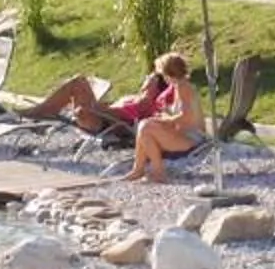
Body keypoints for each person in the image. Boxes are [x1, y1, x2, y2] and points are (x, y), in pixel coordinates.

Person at [21, 54, 182, 137]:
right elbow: (117, 110)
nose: (146, 80)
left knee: (79, 82)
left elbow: (121, 118)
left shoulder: (145, 103)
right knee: (78, 83)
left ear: (156, 86)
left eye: (150, 78)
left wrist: (96, 108)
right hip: (97, 117)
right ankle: (43, 111)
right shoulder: (139, 99)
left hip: (101, 123)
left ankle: (41, 111)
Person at [124, 60, 206, 183]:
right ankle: (140, 168)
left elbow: (186, 117)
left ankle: (156, 172)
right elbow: (182, 115)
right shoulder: (181, 86)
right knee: (144, 126)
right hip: (186, 135)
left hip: (192, 139)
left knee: (145, 126)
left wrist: (164, 120)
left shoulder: (183, 88)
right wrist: (165, 116)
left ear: (168, 74)